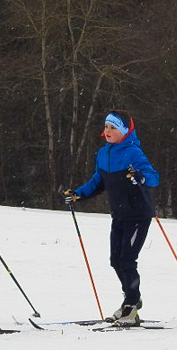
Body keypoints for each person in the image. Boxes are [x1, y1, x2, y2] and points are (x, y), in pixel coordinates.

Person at [63, 111, 160, 325]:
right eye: (106, 126)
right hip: (119, 215)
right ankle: (131, 299)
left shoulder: (133, 152)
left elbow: (153, 177)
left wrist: (140, 177)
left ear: (124, 132)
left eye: (113, 128)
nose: (107, 131)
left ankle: (131, 304)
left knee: (127, 259)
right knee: (115, 260)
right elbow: (98, 181)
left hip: (138, 215)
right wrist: (78, 194)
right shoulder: (103, 154)